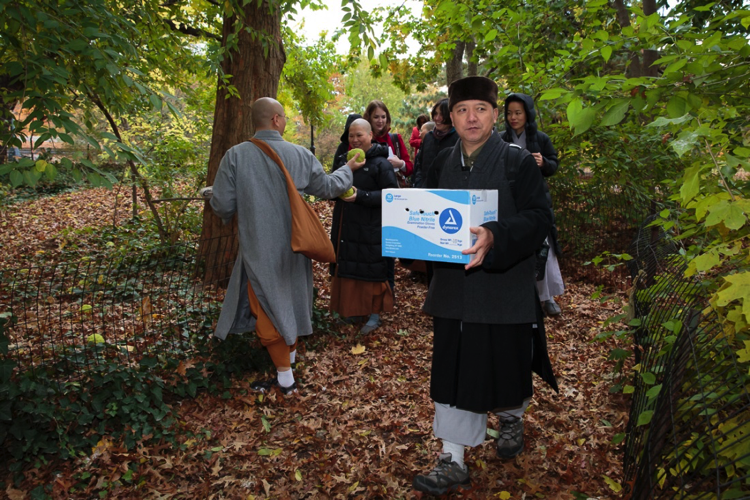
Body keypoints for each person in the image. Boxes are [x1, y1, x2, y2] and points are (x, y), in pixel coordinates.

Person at [411, 77, 558, 495]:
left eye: (480, 108)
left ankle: (511, 419)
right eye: (461, 110)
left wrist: (496, 234)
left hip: (502, 286)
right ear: (451, 117)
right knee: (454, 372)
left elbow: (539, 218)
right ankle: (452, 457)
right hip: (454, 291)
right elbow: (428, 214)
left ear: (495, 114)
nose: (470, 117)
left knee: (504, 368)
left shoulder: (516, 162)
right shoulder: (441, 161)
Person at [209, 97, 364, 395]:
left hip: (259, 250)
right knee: (289, 303)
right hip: (296, 246)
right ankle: (287, 371)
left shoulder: (235, 156)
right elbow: (330, 187)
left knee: (267, 309)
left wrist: (218, 198)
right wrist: (349, 168)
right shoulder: (299, 154)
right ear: (277, 120)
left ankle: (286, 379)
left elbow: (223, 204)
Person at [329, 119, 398, 335]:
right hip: (346, 225)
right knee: (349, 268)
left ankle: (374, 315)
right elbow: (332, 187)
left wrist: (363, 196)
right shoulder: (343, 160)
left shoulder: (381, 163)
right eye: (351, 135)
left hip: (372, 227)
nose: (355, 139)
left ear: (370, 136)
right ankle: (353, 311)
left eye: (359, 135)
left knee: (371, 269)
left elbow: (392, 196)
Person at [501, 93, 564, 317]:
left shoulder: (541, 138)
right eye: (509, 113)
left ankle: (547, 297)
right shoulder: (500, 138)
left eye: (518, 113)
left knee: (543, 247)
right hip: (510, 199)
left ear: (527, 113)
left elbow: (554, 164)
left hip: (537, 199)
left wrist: (544, 163)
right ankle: (518, 295)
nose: (513, 117)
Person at [412, 98, 459, 188]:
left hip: (448, 194)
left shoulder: (458, 138)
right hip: (425, 192)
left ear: (451, 116)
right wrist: (419, 184)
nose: (437, 118)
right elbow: (420, 166)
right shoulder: (428, 137)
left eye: (442, 114)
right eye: (435, 113)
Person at [363, 100, 413, 184]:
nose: (380, 120)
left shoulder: (395, 139)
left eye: (383, 117)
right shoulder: (361, 139)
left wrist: (400, 164)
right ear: (369, 118)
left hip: (392, 191)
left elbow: (410, 169)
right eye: (376, 117)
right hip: (367, 190)